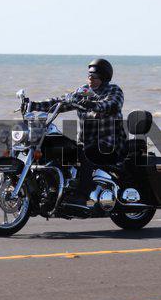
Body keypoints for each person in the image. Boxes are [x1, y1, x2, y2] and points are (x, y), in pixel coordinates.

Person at [29, 58, 127, 206]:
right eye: (89, 75)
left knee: (86, 153)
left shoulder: (114, 90)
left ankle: (82, 196)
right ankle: (54, 191)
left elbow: (111, 104)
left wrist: (91, 104)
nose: (90, 79)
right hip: (85, 143)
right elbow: (60, 102)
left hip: (109, 144)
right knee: (57, 150)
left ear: (104, 78)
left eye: (94, 76)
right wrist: (34, 105)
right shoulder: (83, 91)